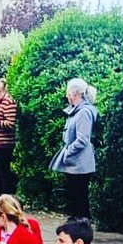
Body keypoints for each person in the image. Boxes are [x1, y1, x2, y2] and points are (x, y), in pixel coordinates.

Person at [49, 78, 98, 219]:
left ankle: (82, 224)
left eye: (68, 91)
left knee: (80, 196)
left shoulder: (84, 112)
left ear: (74, 92)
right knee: (74, 196)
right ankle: (76, 222)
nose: (66, 95)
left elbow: (82, 140)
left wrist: (67, 153)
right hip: (74, 162)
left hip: (80, 163)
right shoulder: (77, 111)